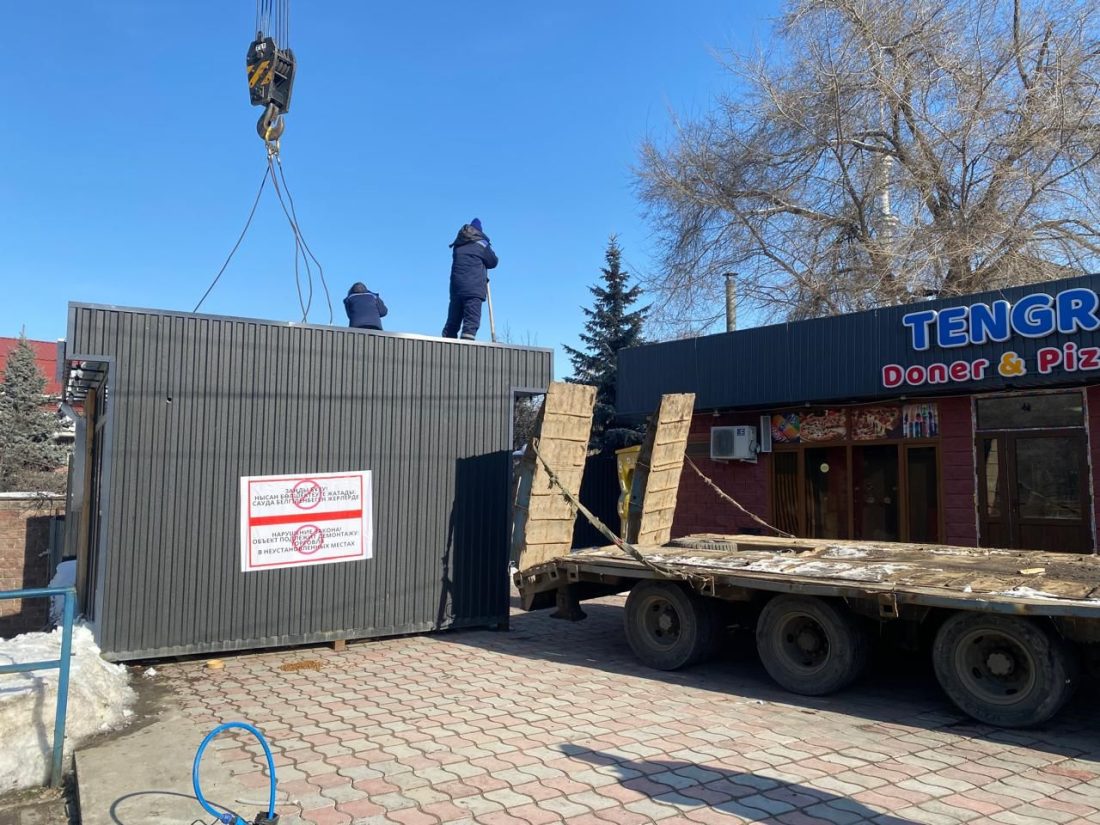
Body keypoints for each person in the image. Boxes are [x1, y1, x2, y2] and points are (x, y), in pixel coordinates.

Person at [442, 218, 498, 340]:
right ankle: (467, 348)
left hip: (456, 288)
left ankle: (445, 346)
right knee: (471, 323)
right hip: (474, 288)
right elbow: (493, 262)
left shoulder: (458, 244)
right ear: (479, 231)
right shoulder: (482, 243)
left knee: (453, 322)